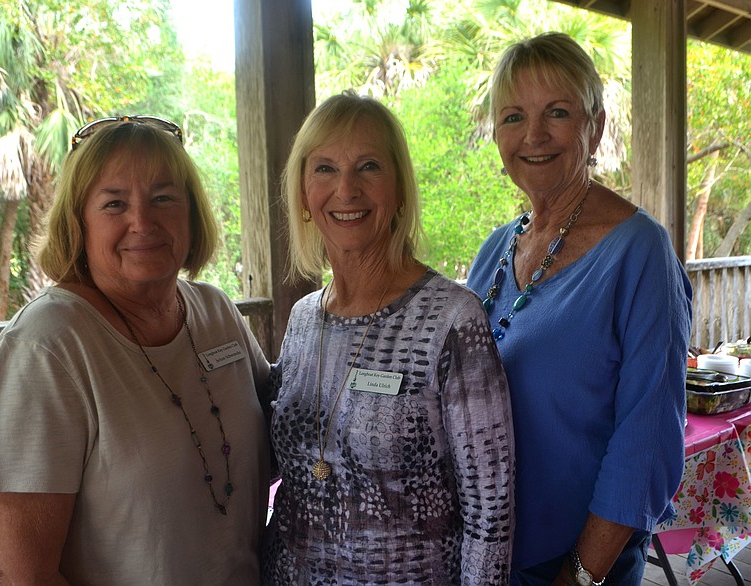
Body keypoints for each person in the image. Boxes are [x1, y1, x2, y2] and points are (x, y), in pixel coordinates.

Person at [0, 116, 271, 584]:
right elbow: (19, 574)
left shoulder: (215, 312)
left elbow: (286, 435)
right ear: (78, 223)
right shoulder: (46, 347)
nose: (142, 222)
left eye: (164, 198)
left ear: (190, 213)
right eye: (114, 203)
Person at [466, 33, 692, 585]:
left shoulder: (640, 251)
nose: (534, 135)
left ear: (596, 127)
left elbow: (647, 444)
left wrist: (580, 576)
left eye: (558, 112)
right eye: (513, 117)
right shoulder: (496, 249)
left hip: (577, 569)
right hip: (482, 559)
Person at [261, 91, 515, 585]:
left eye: (369, 166)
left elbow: (491, 516)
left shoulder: (452, 319)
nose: (346, 189)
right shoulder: (302, 320)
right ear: (303, 195)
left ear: (399, 189)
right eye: (325, 169)